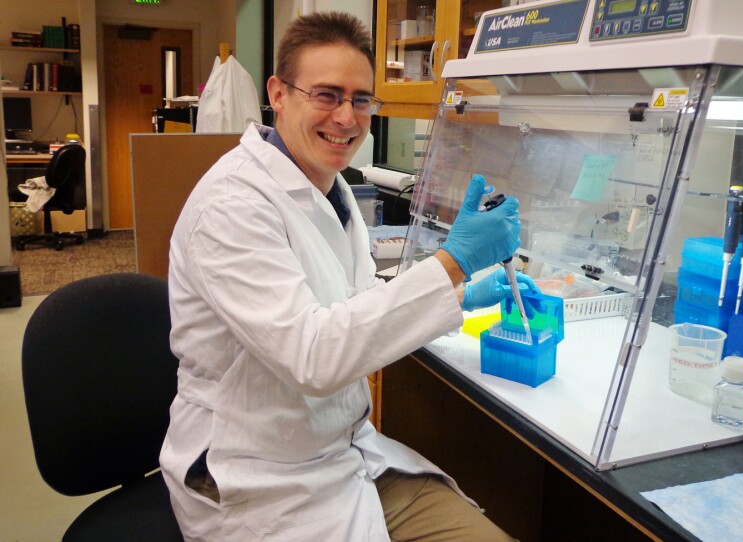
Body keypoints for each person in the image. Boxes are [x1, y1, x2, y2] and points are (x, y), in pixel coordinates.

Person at [160, 11, 537, 542]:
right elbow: (313, 355)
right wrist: (454, 261)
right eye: (327, 95)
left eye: (361, 100)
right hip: (256, 479)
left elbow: (350, 304)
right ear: (279, 93)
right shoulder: (231, 206)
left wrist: (460, 294)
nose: (347, 117)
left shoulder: (330, 188)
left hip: (339, 456)